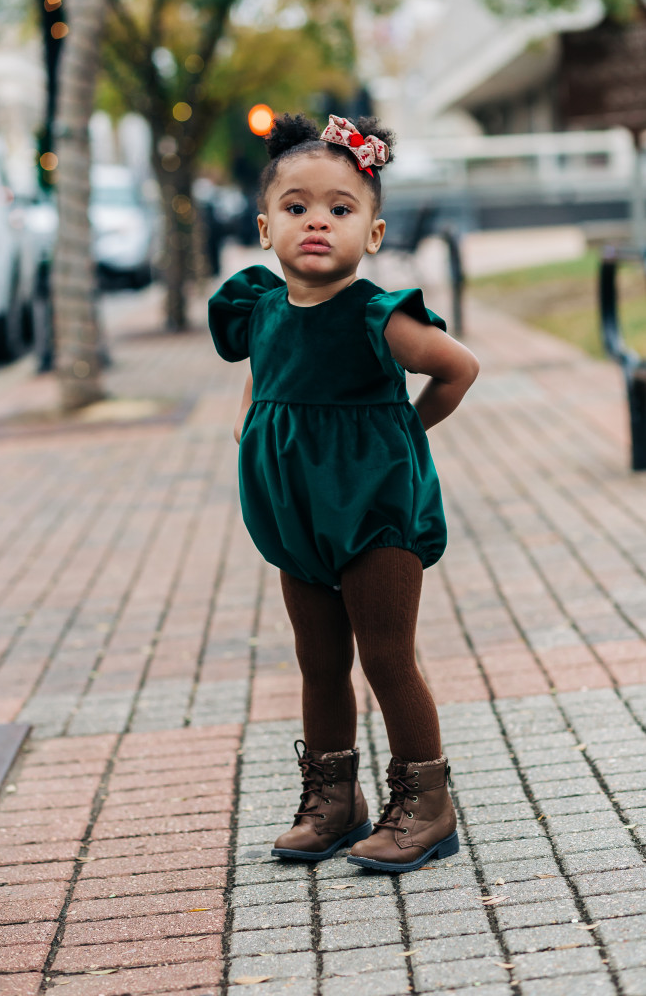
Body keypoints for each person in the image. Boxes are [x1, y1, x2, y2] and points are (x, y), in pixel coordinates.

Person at [208, 113, 479, 873]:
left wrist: (408, 433)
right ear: (265, 228)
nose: (317, 222)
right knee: (317, 659)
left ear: (375, 231)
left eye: (340, 208)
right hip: (296, 514)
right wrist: (248, 421)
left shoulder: (375, 317)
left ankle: (425, 803)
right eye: (296, 208)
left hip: (374, 510)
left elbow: (458, 368)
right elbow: (263, 367)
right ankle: (333, 798)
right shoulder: (260, 308)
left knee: (386, 657)